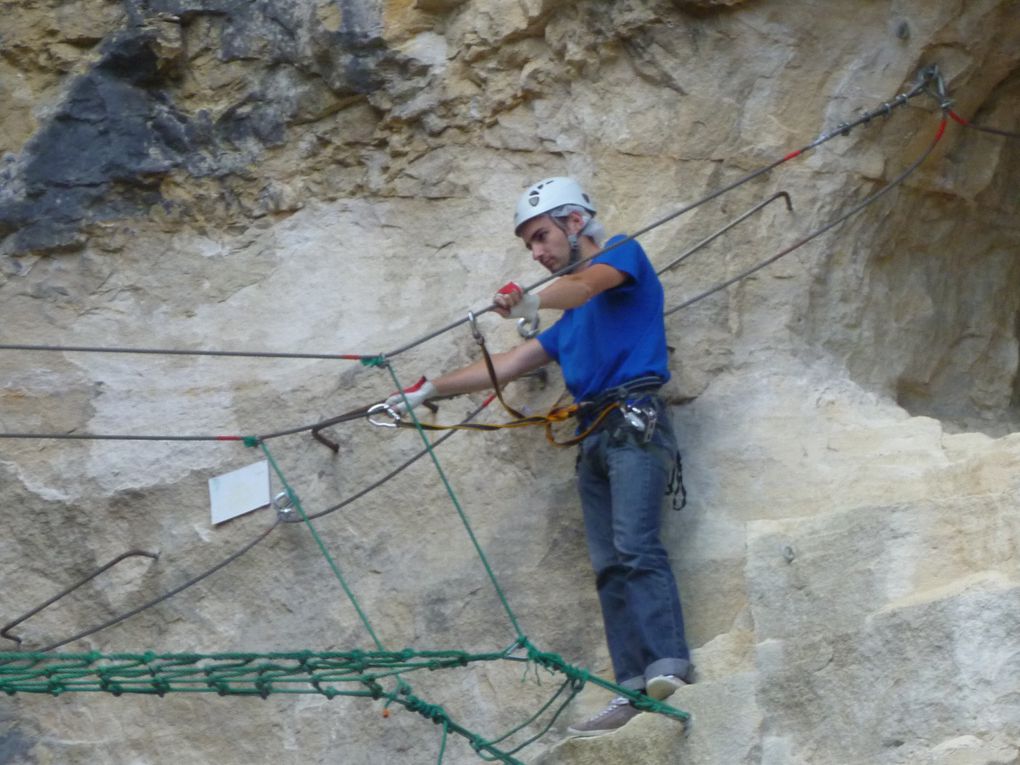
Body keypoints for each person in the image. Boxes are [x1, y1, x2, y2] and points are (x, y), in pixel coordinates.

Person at [387, 177, 691, 737]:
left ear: (576, 222)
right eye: (529, 243)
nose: (537, 251)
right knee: (607, 564)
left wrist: (531, 298)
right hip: (595, 433)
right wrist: (430, 390)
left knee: (635, 546)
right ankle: (631, 685)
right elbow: (506, 364)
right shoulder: (570, 325)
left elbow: (586, 285)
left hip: (632, 418)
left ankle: (667, 664)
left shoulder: (624, 253)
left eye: (542, 235)